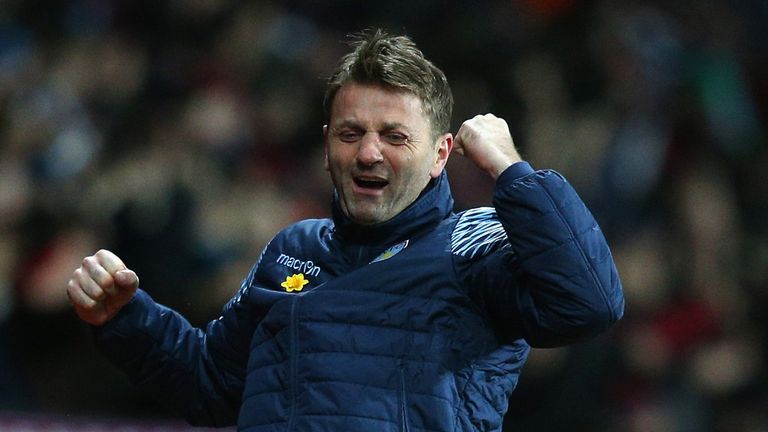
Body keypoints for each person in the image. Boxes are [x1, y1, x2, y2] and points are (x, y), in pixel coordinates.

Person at [67, 29, 624, 432]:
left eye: (395, 136)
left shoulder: (471, 241)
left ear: (440, 155)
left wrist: (512, 170)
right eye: (351, 132)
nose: (369, 152)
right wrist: (127, 318)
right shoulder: (293, 248)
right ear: (328, 142)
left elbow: (590, 302)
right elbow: (211, 389)